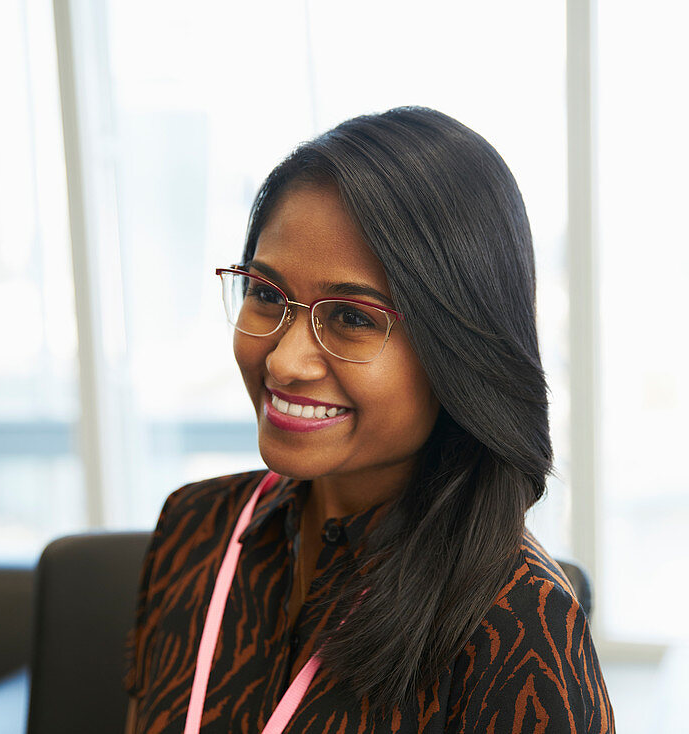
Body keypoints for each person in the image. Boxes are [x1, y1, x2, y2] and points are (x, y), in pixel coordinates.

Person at [125, 106, 614, 733]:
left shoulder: (518, 617)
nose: (284, 358)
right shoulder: (194, 529)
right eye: (267, 294)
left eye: (353, 317)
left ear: (459, 349)